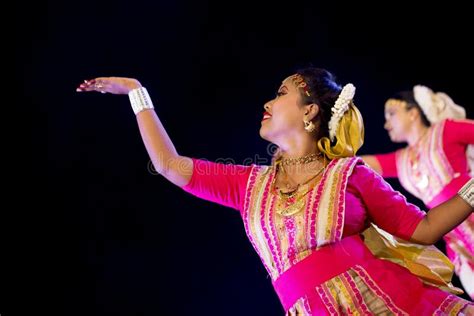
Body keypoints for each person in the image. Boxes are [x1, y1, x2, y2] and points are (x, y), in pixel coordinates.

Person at [77, 68, 474, 315]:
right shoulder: (248, 184)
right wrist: (136, 94)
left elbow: (422, 230)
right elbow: (168, 164)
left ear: (309, 111)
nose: (268, 101)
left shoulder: (348, 174)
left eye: (281, 92)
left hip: (386, 304)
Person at [361, 85, 474, 299]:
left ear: (413, 113)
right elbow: (361, 164)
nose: (386, 124)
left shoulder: (445, 130)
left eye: (392, 114)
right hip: (455, 237)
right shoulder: (401, 159)